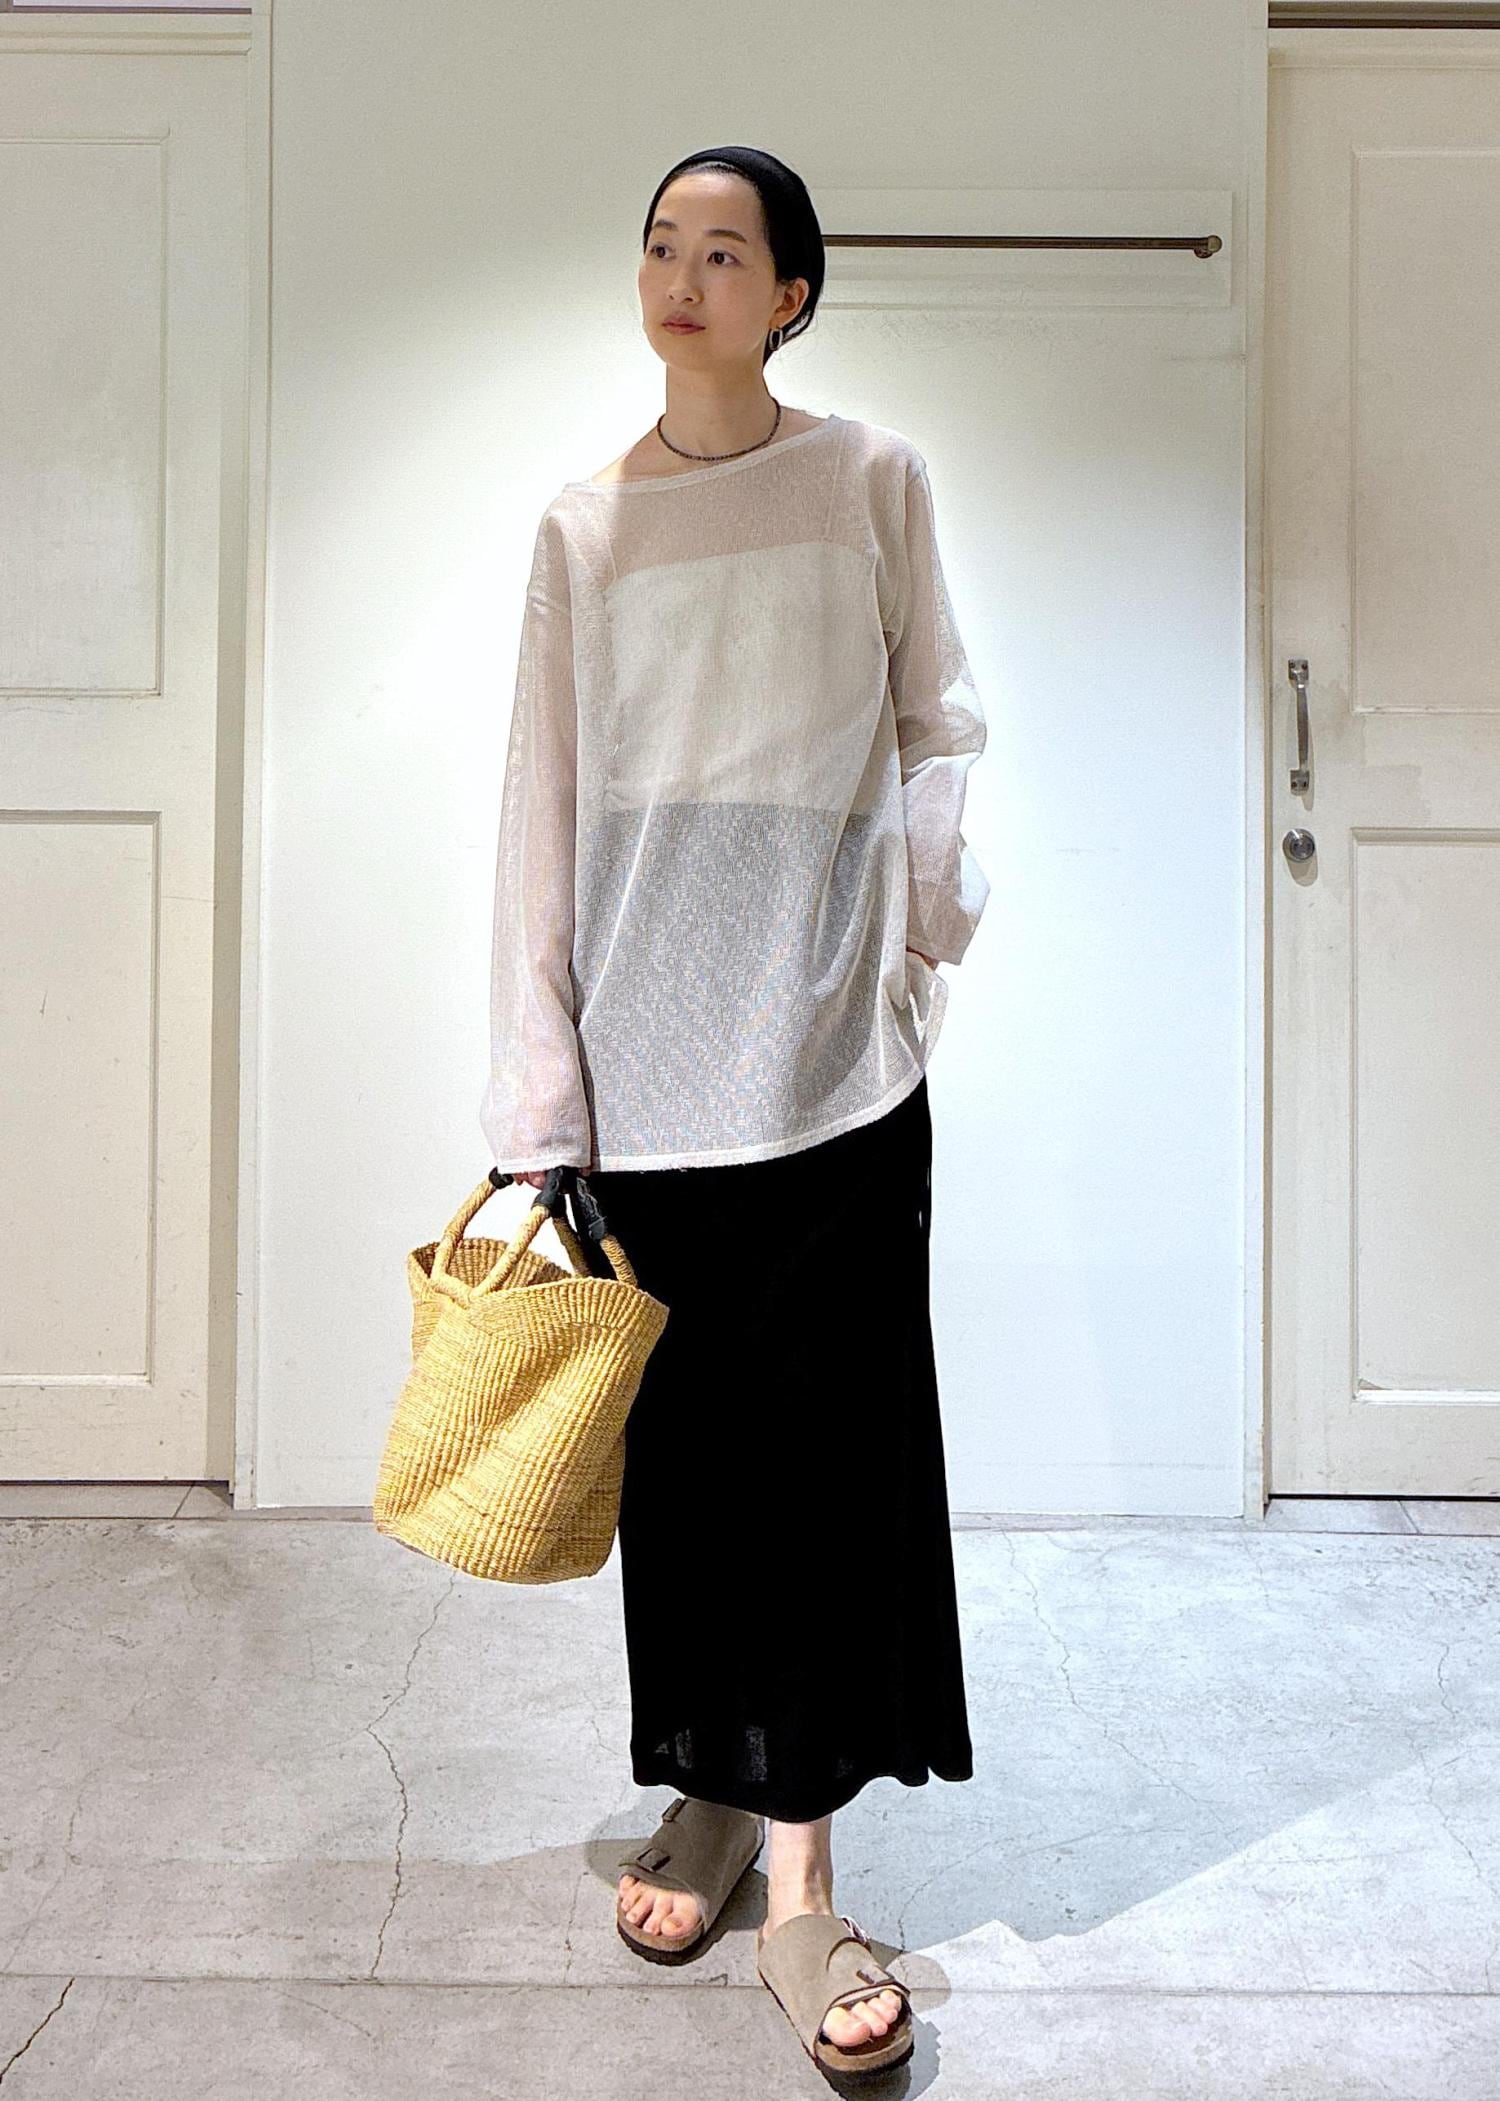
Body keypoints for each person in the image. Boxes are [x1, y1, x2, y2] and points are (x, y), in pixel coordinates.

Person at [483, 143, 989, 2078]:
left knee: (821, 1482)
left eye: (724, 250)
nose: (681, 275)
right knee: (687, 1481)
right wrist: (542, 1089)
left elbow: (937, 719)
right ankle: (703, 1781)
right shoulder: (584, 527)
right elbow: (540, 806)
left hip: (838, 1073)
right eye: (659, 245)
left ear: (790, 294)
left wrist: (917, 934)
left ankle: (801, 1891)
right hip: (651, 1086)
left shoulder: (868, 480)